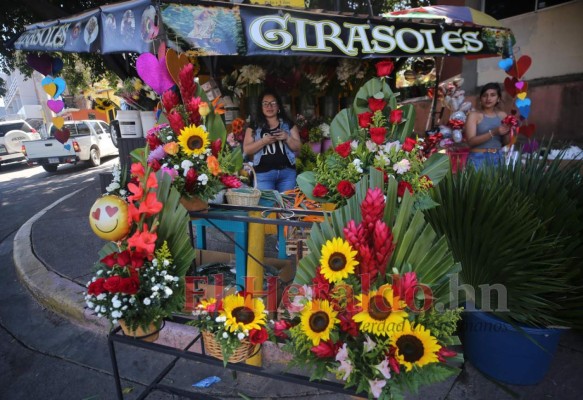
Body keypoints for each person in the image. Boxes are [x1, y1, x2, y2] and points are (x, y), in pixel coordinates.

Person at [243, 89, 302, 192]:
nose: (269, 106)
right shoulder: (254, 126)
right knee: (266, 206)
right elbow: (247, 149)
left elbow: (298, 147)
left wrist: (287, 138)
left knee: (287, 206)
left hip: (287, 174)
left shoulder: (288, 124)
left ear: (278, 106)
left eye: (273, 103)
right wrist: (263, 141)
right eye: (265, 103)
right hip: (263, 175)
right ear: (260, 107)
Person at [464, 82, 511, 169]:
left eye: (493, 95)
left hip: (497, 157)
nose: (488, 98)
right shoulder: (474, 115)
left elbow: (506, 142)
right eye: (485, 95)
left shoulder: (503, 115)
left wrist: (507, 132)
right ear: (481, 99)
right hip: (478, 158)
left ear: (498, 98)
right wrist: (493, 132)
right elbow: (470, 142)